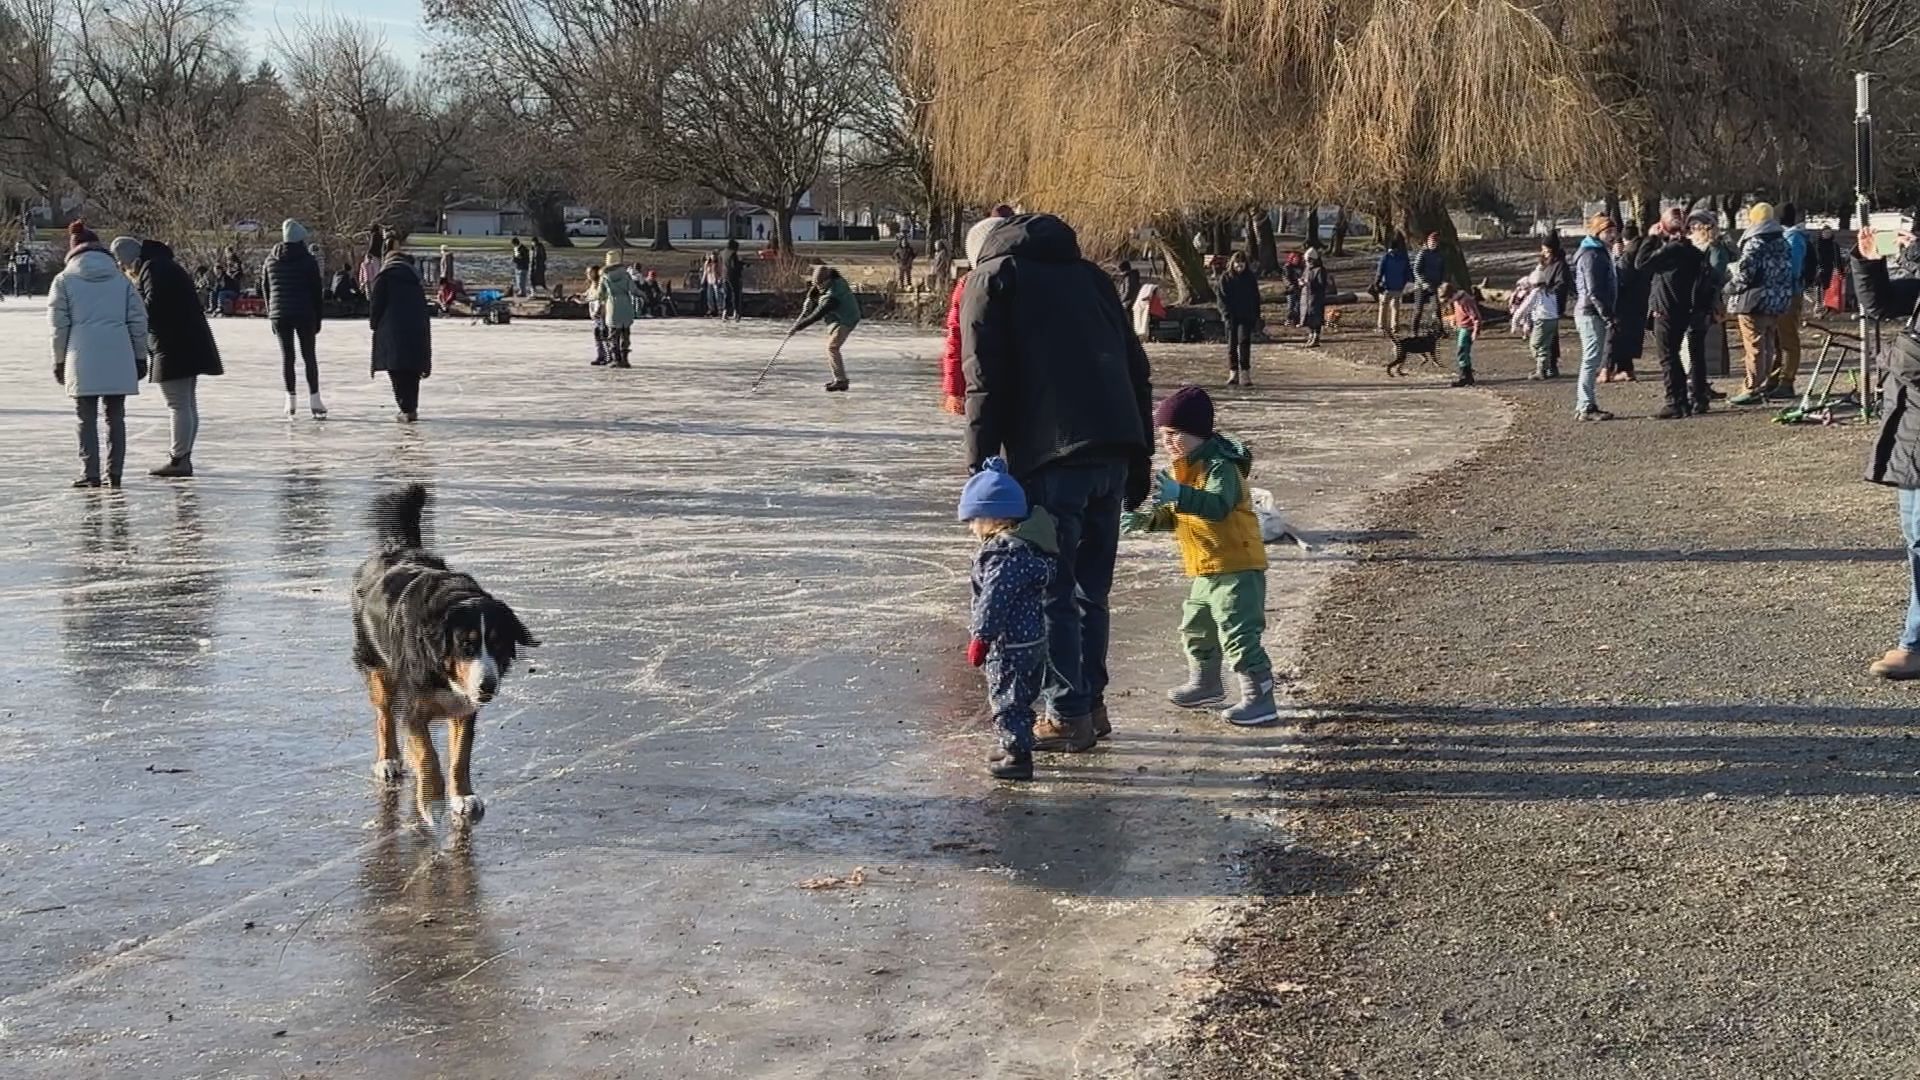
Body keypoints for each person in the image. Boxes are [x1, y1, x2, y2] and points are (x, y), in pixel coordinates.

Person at [960, 211, 1154, 750]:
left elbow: (983, 381)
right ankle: (1091, 704)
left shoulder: (991, 278)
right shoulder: (1089, 275)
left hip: (1051, 454)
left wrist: (979, 475)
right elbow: (1135, 366)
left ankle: (1067, 711)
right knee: (1093, 588)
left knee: (1052, 589)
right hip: (1113, 446)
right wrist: (1141, 455)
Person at [1120, 386, 1277, 726]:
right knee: (1196, 627)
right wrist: (1147, 520)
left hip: (1237, 566)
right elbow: (1179, 514)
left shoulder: (1222, 468)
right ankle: (1206, 683)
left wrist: (1182, 494)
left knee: (1238, 632)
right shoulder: (1183, 469)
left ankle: (1259, 696)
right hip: (1204, 568)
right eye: (1164, 435)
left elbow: (1218, 507)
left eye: (1175, 434)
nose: (1168, 442)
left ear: (1198, 433)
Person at [959, 457, 1058, 781]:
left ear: (992, 518)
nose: (972, 528)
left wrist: (981, 637)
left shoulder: (1004, 555)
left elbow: (993, 600)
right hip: (1033, 639)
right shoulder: (1031, 549)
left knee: (1007, 700)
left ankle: (1017, 756)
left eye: (974, 520)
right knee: (1023, 697)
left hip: (1008, 644)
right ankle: (1015, 743)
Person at [1852, 224, 1920, 678]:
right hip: (1912, 434)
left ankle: (1913, 641)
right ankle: (1915, 642)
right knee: (1916, 540)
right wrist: (1868, 261)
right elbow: (1878, 304)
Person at [110, 234, 222, 478]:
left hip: (174, 345)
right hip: (187, 342)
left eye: (124, 265)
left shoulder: (153, 269)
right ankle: (183, 456)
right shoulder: (162, 264)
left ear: (131, 260)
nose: (124, 270)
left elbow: (152, 307)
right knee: (186, 403)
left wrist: (130, 311)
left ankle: (179, 459)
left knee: (178, 404)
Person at [50, 222, 145, 488]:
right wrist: (139, 357)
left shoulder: (64, 281)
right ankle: (114, 472)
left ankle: (90, 472)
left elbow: (58, 326)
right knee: (115, 416)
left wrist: (58, 360)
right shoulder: (121, 280)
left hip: (81, 356)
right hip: (119, 354)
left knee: (85, 417)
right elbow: (138, 321)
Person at [1632, 210, 1720, 418]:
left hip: (1666, 308)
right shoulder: (1695, 253)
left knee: (1668, 356)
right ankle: (1688, 399)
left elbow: (1640, 263)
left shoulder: (1671, 251)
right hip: (1684, 308)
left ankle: (1675, 401)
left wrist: (1652, 238)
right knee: (1679, 355)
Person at [1726, 203, 1796, 407]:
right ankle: (1761, 382)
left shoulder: (1754, 242)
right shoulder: (1783, 242)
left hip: (1753, 301)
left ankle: (1751, 387)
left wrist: (1728, 287)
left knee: (1754, 346)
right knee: (1767, 345)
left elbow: (1746, 274)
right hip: (1776, 301)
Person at [262, 219, 326, 419]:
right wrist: (318, 319)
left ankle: (290, 401)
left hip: (280, 314)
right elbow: (317, 292)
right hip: (304, 313)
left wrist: (271, 313)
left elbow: (266, 288)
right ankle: (315, 400)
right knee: (309, 356)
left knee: (287, 357)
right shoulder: (308, 261)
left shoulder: (270, 260)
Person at [369, 237, 432, 422]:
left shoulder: (384, 277)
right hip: (415, 328)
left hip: (392, 330)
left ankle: (405, 408)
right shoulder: (414, 279)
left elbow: (376, 304)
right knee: (412, 370)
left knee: (396, 370)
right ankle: (411, 406)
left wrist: (374, 324)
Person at [1571, 214, 1618, 421]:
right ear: (1597, 232)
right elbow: (1594, 289)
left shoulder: (1600, 252)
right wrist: (1607, 314)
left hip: (1592, 311)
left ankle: (1586, 403)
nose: (1613, 235)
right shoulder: (1591, 254)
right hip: (1591, 312)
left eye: (1614, 231)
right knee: (1591, 359)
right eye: (1608, 231)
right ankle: (1585, 406)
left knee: (1592, 358)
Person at [791, 264, 860, 391]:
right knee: (831, 346)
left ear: (827, 281)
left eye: (820, 284)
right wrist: (810, 299)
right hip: (837, 318)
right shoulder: (832, 281)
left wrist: (798, 327)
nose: (818, 286)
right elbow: (816, 289)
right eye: (815, 283)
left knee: (832, 347)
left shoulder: (832, 296)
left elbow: (817, 314)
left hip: (848, 319)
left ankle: (841, 380)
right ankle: (839, 379)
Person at [1770, 202, 1810, 400]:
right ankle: (1774, 378)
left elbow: (1793, 269)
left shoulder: (1793, 237)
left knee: (1788, 339)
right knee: (1776, 338)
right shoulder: (1784, 236)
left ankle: (1787, 381)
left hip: (1789, 293)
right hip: (1779, 294)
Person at [1603, 224, 1648, 383]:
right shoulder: (1646, 250)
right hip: (1641, 301)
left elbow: (1621, 275)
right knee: (1629, 337)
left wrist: (1616, 258)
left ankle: (1609, 369)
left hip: (1624, 301)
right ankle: (1625, 369)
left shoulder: (1628, 254)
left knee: (1616, 336)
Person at [1516, 246, 1565, 380]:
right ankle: (1544, 369)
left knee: (1535, 344)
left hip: (1542, 320)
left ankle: (1542, 366)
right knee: (1546, 345)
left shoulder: (1535, 293)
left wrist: (1515, 322)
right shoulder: (1551, 293)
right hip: (1553, 320)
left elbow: (1524, 307)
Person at [1217, 251, 1261, 387]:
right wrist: (1226, 314)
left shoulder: (1250, 278)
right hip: (1231, 316)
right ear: (1233, 264)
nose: (1239, 267)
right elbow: (1221, 298)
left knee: (1244, 343)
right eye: (1237, 264)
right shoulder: (1225, 278)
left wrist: (1256, 315)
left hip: (1246, 316)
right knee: (1232, 345)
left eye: (1242, 264)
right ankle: (1233, 372)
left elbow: (1255, 298)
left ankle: (1245, 373)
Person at [593, 252, 639, 368]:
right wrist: (643, 295)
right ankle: (625, 359)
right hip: (626, 306)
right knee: (625, 333)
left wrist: (589, 299)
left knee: (613, 334)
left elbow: (600, 294)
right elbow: (634, 290)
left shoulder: (605, 277)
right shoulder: (626, 275)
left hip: (612, 306)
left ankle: (616, 359)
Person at [1440, 281, 1480, 387]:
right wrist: (1454, 320)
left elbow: (1475, 317)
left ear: (1451, 295)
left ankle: (1466, 377)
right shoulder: (1457, 300)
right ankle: (1467, 372)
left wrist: (1476, 331)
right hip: (1461, 327)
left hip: (1467, 329)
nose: (1448, 302)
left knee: (1462, 350)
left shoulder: (1465, 300)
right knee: (1462, 351)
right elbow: (1459, 313)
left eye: (1447, 300)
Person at [1374, 233, 1413, 333]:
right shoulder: (1403, 258)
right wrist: (1404, 283)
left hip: (1386, 286)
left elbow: (1380, 272)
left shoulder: (1385, 258)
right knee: (1395, 307)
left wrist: (1376, 283)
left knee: (1383, 306)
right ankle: (1394, 326)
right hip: (1398, 287)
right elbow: (1407, 272)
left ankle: (1381, 326)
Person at [1411, 232, 1447, 331]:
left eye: (1435, 242)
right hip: (1421, 286)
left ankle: (1440, 330)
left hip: (1435, 285)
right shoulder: (1423, 253)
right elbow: (1416, 270)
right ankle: (1414, 331)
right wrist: (1424, 283)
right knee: (1418, 310)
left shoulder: (1440, 255)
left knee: (1437, 308)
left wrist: (1442, 282)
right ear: (1428, 242)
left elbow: (1443, 270)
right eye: (1431, 242)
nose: (1433, 244)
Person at [1300, 247, 1332, 347]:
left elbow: (1321, 284)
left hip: (1316, 297)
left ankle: (1316, 337)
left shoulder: (1320, 270)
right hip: (1306, 296)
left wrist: (1308, 283)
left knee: (1316, 318)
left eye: (1308, 260)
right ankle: (1310, 335)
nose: (1307, 262)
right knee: (1308, 318)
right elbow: (1303, 278)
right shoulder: (1307, 269)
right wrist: (1301, 282)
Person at [723, 238, 745, 321]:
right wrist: (742, 265)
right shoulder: (733, 254)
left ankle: (725, 312)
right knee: (736, 295)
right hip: (733, 277)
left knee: (727, 295)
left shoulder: (723, 253)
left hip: (725, 276)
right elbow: (734, 266)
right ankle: (736, 313)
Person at [700, 252, 724, 316]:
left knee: (717, 295)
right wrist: (703, 280)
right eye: (711, 256)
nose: (713, 258)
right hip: (709, 280)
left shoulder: (717, 263)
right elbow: (705, 272)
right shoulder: (707, 263)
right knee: (709, 295)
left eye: (714, 257)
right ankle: (711, 309)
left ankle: (720, 309)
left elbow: (720, 271)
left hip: (715, 280)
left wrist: (719, 279)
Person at [437, 244, 456, 313]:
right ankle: (445, 307)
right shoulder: (448, 257)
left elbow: (445, 268)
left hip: (445, 276)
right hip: (446, 276)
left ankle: (445, 307)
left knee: (444, 289)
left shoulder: (446, 257)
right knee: (444, 290)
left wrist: (443, 276)